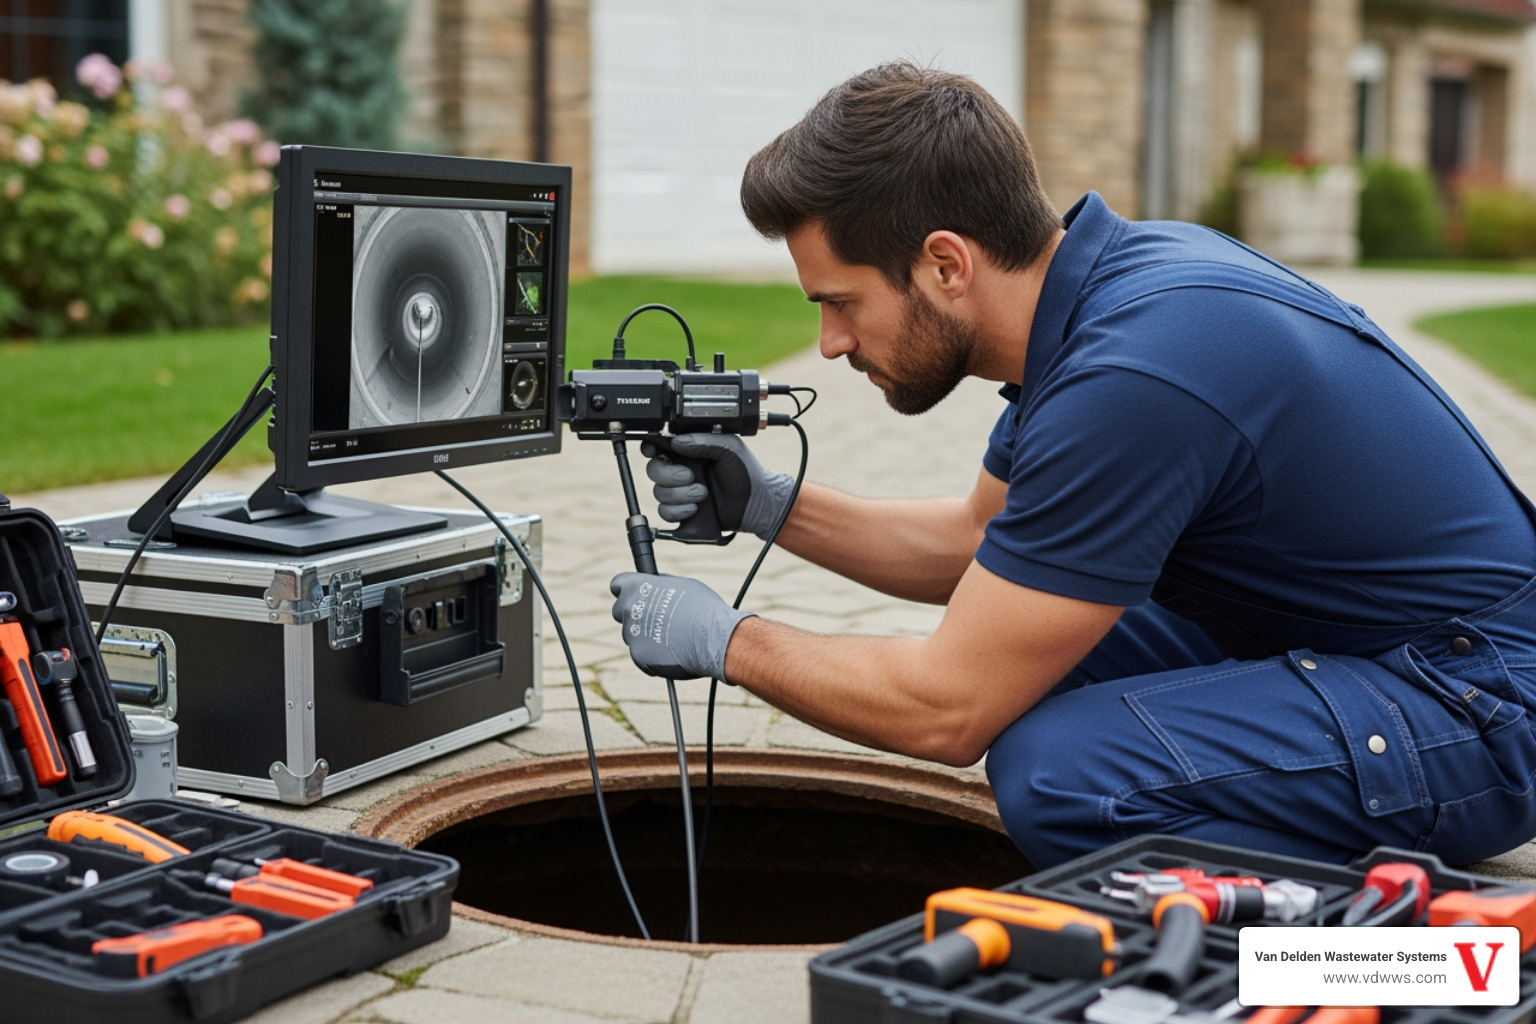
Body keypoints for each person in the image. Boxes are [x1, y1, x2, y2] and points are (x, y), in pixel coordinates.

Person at [608, 62, 1536, 871]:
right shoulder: (1102, 296)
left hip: (1476, 701)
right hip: (1367, 641)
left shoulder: (1138, 374)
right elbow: (978, 539)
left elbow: (944, 712)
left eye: (841, 302)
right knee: (1027, 668)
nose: (830, 342)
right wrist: (770, 505)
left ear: (945, 264)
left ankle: (1393, 951)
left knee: (1061, 774)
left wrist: (730, 642)